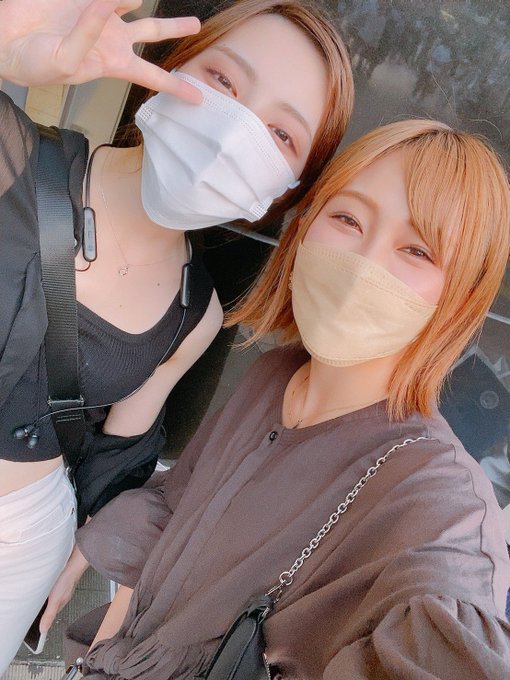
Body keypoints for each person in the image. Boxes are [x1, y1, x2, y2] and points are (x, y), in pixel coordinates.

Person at [63, 119, 510, 678]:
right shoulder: (273, 376)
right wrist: (104, 649)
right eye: (348, 219)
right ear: (304, 228)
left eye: (417, 250)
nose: (366, 263)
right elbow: (177, 514)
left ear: (460, 297)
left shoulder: (439, 507)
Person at [0, 0, 353, 670]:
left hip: (20, 541)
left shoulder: (197, 312)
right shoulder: (11, 152)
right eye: (224, 80)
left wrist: (89, 558)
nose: (235, 130)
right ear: (170, 67)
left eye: (280, 133)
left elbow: (116, 458)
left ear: (284, 189)